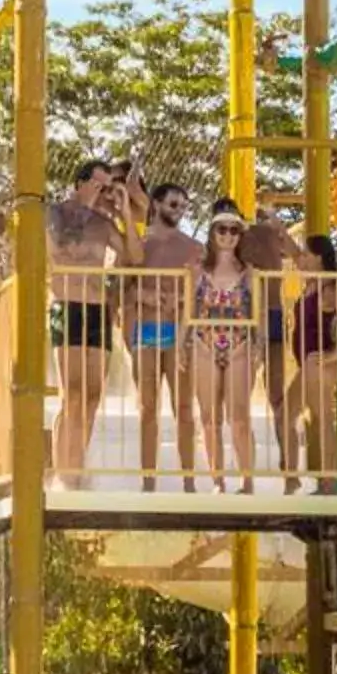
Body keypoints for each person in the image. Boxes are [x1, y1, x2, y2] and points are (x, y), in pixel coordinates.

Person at [121, 181, 201, 489]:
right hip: (145, 329)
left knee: (183, 407)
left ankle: (189, 481)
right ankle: (148, 481)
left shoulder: (193, 247)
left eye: (182, 206)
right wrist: (144, 297)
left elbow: (199, 293)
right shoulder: (139, 243)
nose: (178, 211)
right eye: (172, 204)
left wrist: (177, 302)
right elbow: (123, 286)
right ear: (156, 204)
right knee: (148, 408)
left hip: (177, 332)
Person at [47, 159, 122, 477]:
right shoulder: (55, 213)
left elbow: (133, 254)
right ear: (80, 183)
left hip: (96, 308)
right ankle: (63, 467)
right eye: (98, 185)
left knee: (92, 395)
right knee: (72, 394)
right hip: (67, 305)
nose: (102, 193)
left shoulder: (104, 224)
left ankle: (77, 464)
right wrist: (85, 212)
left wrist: (124, 210)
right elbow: (61, 245)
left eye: (107, 188)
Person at [187, 204, 259, 491]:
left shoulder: (248, 272)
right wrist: (184, 342)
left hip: (239, 342)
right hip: (204, 342)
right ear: (212, 233)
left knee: (239, 415)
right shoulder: (197, 270)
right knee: (209, 415)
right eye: (222, 229)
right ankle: (218, 479)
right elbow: (189, 309)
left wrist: (258, 343)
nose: (228, 235)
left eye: (234, 230)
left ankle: (247, 479)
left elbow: (257, 311)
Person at [235, 206, 310, 479]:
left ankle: (281, 465)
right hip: (254, 317)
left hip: (263, 316)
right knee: (260, 397)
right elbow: (296, 257)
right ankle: (273, 467)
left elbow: (297, 257)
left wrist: (276, 227)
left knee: (271, 397)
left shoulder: (257, 235)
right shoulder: (255, 235)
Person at [287, 233, 337, 493]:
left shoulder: (328, 288)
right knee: (294, 415)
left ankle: (328, 482)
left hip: (319, 363)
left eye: (306, 253)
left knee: (322, 418)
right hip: (309, 363)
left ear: (318, 258)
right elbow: (292, 253)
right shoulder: (311, 283)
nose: (301, 257)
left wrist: (335, 354)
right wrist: (274, 221)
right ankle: (301, 478)